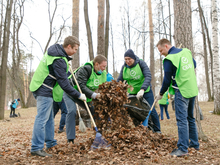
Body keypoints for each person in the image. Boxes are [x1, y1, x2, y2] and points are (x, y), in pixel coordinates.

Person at [29, 36, 86, 157]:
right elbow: (64, 84)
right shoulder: (59, 59)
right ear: (69, 46)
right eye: (75, 49)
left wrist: (71, 74)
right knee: (42, 118)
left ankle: (50, 143)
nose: (75, 52)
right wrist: (79, 95)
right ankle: (36, 148)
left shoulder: (58, 53)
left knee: (49, 117)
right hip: (43, 88)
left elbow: (62, 73)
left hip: (44, 87)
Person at [155, 38, 199, 157]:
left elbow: (167, 79)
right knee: (190, 117)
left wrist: (161, 93)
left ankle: (183, 148)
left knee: (182, 120)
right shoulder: (186, 51)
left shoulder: (169, 59)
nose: (161, 53)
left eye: (161, 50)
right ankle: (194, 144)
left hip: (181, 91)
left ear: (166, 46)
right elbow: (194, 64)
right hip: (192, 89)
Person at [65, 54, 108, 144]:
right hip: (71, 92)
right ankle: (70, 139)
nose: (104, 68)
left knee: (96, 111)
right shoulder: (86, 69)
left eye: (105, 66)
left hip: (85, 95)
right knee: (72, 111)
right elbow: (81, 85)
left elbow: (104, 86)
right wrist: (93, 94)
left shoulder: (103, 73)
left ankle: (100, 136)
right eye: (103, 66)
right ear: (96, 64)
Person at [117, 49, 161, 133]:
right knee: (134, 111)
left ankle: (157, 130)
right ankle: (141, 128)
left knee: (151, 111)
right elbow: (120, 79)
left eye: (129, 59)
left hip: (145, 91)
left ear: (133, 58)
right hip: (133, 93)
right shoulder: (124, 67)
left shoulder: (141, 63)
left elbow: (148, 76)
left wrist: (142, 89)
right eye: (125, 59)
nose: (127, 61)